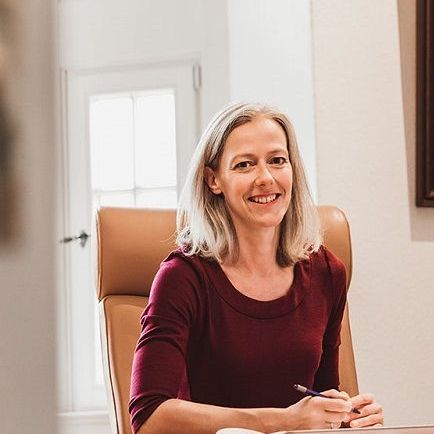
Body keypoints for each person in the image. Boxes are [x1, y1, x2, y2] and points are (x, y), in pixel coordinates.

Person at [129, 102, 384, 434]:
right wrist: (284, 420)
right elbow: (149, 418)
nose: (265, 178)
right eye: (245, 165)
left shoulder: (327, 272)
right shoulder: (182, 277)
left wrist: (346, 415)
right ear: (213, 180)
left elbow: (323, 395)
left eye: (277, 160)